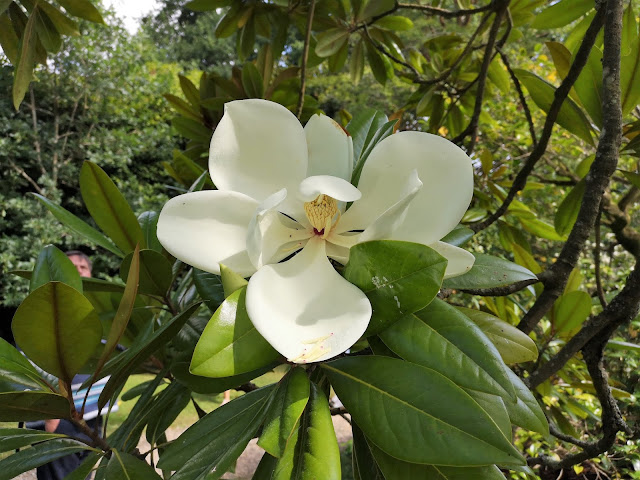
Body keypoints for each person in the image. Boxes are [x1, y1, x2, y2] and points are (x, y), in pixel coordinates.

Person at [35, 250, 116, 480]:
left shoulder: (97, 311)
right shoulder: (54, 311)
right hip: (62, 416)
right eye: (72, 267)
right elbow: (44, 356)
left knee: (82, 474)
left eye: (83, 267)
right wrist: (52, 417)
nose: (79, 271)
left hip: (92, 412)